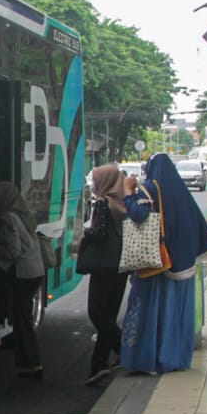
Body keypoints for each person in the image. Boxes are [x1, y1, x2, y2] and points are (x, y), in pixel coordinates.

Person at [119, 153, 207, 374]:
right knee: (174, 313)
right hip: (180, 262)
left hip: (156, 264)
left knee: (149, 311)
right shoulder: (181, 193)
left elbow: (139, 214)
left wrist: (128, 193)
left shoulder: (150, 188)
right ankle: (173, 357)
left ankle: (148, 360)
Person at [80, 163, 130, 386]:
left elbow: (99, 234)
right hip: (121, 266)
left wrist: (83, 234)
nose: (94, 183)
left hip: (103, 267)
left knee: (97, 314)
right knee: (108, 316)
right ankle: (98, 366)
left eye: (97, 179)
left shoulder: (103, 203)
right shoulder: (123, 203)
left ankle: (126, 351)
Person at [0, 181, 46, 378]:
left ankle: (32, 364)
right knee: (24, 318)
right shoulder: (25, 215)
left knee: (22, 321)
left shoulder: (8, 217)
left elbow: (13, 251)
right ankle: (29, 363)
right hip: (36, 270)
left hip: (23, 273)